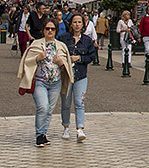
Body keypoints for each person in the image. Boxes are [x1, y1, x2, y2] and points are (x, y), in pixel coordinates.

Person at [17, 18, 73, 147]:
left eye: (52, 29)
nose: (50, 31)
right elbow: (27, 60)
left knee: (49, 110)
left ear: (56, 31)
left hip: (55, 82)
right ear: (43, 30)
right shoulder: (36, 44)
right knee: (43, 107)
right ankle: (39, 135)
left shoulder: (61, 46)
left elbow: (67, 65)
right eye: (47, 28)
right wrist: (37, 58)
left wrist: (61, 63)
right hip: (40, 82)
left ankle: (43, 133)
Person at [58, 12, 98, 142]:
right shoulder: (64, 38)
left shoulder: (87, 40)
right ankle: (66, 127)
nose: (77, 25)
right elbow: (58, 52)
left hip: (81, 75)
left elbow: (91, 57)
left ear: (83, 24)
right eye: (74, 22)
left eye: (79, 22)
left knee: (79, 102)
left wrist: (79, 58)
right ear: (70, 24)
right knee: (66, 102)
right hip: (66, 75)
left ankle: (80, 128)